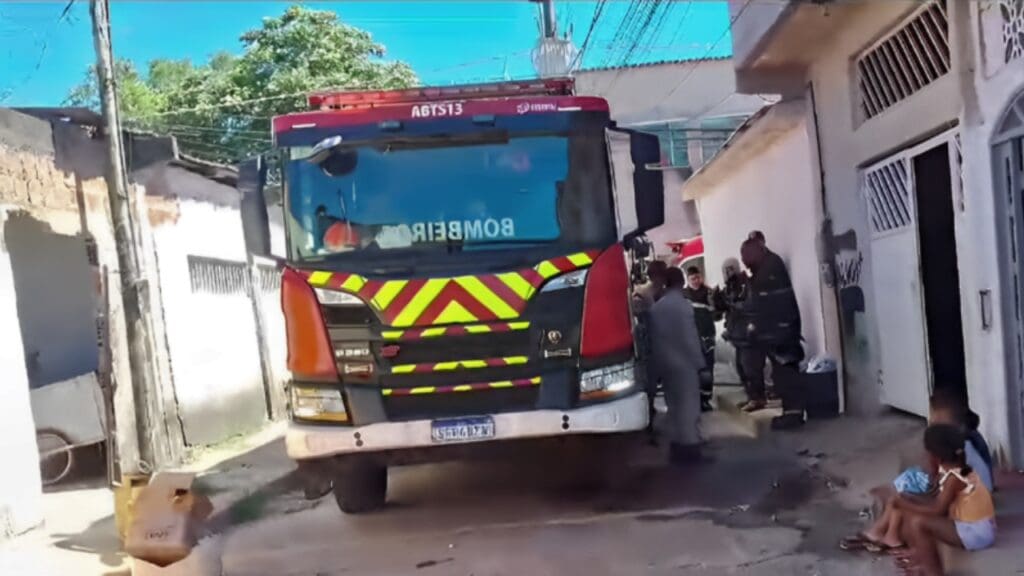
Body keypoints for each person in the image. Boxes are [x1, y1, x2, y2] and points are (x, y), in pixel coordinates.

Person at [841, 391, 995, 553]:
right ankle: (885, 535)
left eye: (936, 420)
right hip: (962, 507)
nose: (932, 422)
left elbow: (940, 507)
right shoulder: (955, 452)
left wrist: (907, 502)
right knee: (903, 496)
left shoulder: (960, 459)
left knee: (906, 504)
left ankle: (886, 536)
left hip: (968, 520)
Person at [894, 424, 997, 575]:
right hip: (972, 526)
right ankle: (921, 560)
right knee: (913, 515)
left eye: (926, 453)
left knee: (919, 522)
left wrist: (904, 503)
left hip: (977, 533)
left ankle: (933, 572)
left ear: (936, 457)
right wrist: (910, 500)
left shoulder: (954, 478)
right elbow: (937, 502)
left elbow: (937, 509)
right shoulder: (954, 470)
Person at [740, 236, 805, 429]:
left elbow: (763, 300)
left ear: (758, 251)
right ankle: (791, 413)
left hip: (782, 331)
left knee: (786, 375)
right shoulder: (766, 266)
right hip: (779, 331)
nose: (745, 262)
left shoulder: (770, 268)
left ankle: (793, 415)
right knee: (781, 374)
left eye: (747, 257)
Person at [647, 267, 707, 464]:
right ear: (681, 282)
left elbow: (653, 340)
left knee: (674, 408)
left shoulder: (656, 309)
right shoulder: (684, 306)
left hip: (666, 364)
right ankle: (691, 451)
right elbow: (690, 338)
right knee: (689, 409)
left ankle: (676, 449)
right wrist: (700, 364)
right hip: (685, 364)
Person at [715, 258, 754, 398]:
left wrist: (731, 304)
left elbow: (747, 307)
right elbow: (723, 313)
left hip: (747, 333)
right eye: (726, 270)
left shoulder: (745, 284)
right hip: (737, 333)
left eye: (730, 269)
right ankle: (751, 396)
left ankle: (756, 397)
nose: (728, 273)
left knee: (749, 367)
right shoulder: (729, 288)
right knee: (741, 368)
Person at [683, 266, 717, 412]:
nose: (696, 281)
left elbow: (717, 315)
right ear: (687, 280)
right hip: (690, 339)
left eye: (698, 278)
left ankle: (705, 400)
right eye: (692, 279)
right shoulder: (683, 295)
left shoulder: (710, 293)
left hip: (707, 338)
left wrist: (713, 302)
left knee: (707, 371)